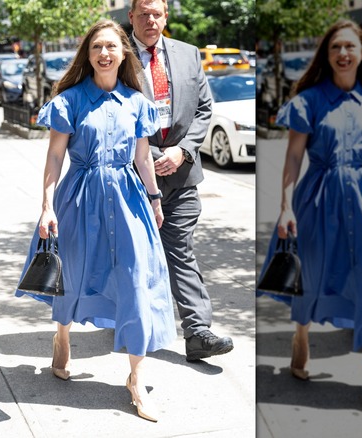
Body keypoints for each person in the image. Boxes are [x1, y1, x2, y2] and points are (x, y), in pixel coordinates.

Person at [15, 19, 175, 422]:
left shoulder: (138, 103)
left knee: (136, 278)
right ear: (88, 55)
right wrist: (47, 206)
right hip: (78, 197)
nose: (104, 53)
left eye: (111, 47)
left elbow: (142, 158)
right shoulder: (68, 100)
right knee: (73, 274)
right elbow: (54, 158)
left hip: (129, 200)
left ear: (124, 54)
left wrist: (155, 199)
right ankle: (62, 336)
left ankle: (136, 378)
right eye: (96, 47)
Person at [257, 19, 362, 422]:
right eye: (335, 48)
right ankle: (302, 333)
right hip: (317, 197)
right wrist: (285, 206)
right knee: (311, 275)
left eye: (350, 47)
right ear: (326, 57)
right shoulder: (308, 100)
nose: (343, 54)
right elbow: (293, 158)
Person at [128, 0, 232, 362]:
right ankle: (132, 322)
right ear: (131, 17)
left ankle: (197, 332)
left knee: (181, 251)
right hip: (135, 177)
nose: (150, 19)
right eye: (143, 13)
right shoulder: (116, 54)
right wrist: (153, 157)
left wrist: (183, 151)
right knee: (136, 257)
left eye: (156, 13)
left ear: (166, 16)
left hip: (183, 176)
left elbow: (204, 109)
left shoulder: (188, 54)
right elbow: (108, 110)